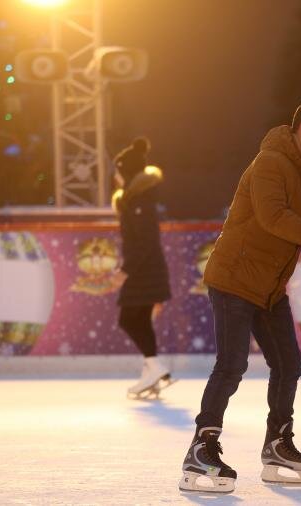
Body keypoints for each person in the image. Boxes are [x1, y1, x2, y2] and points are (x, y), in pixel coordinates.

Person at [179, 100, 301, 494]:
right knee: (232, 364)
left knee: (289, 363)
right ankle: (201, 447)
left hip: (270, 287)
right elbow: (274, 217)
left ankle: (277, 445)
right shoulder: (270, 163)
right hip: (236, 280)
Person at [110, 137, 174, 399]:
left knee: (127, 319)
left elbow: (145, 243)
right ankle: (152, 369)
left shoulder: (138, 203)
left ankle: (154, 366)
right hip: (147, 270)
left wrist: (125, 271)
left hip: (144, 272)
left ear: (126, 171)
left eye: (117, 171)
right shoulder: (136, 200)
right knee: (138, 319)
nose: (114, 176)